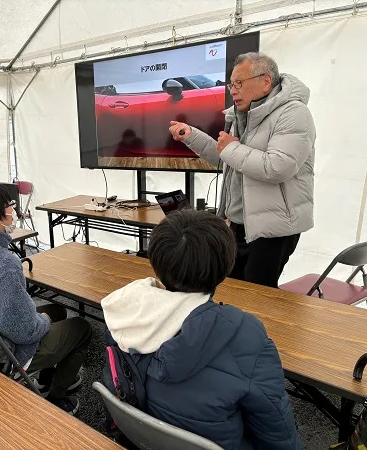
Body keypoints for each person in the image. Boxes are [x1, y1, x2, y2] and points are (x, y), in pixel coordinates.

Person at [101, 209, 302, 450]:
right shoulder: (247, 336)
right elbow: (277, 435)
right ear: (225, 266)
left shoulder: (122, 312)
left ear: (155, 260)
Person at [169, 52, 316, 288]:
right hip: (237, 224)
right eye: (231, 85)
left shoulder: (294, 113)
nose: (232, 90)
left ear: (266, 81)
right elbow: (228, 156)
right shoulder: (243, 115)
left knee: (258, 298)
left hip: (271, 229)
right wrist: (192, 136)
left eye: (239, 83)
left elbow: (278, 167)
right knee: (233, 290)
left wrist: (233, 148)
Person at [0, 181, 92, 415]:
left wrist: (42, 317)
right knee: (82, 328)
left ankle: (48, 376)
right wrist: (41, 319)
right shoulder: (3, 263)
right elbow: (22, 331)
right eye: (9, 206)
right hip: (2, 350)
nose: (13, 210)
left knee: (58, 310)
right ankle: (57, 397)